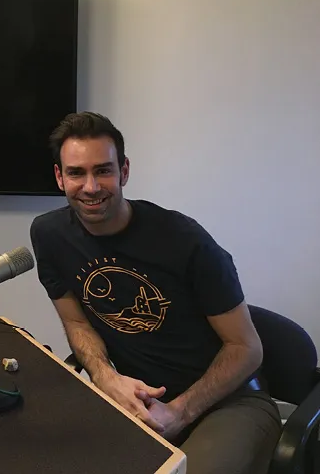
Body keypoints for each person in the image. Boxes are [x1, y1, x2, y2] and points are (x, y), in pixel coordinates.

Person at [29, 112, 281, 473]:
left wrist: (179, 412)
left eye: (103, 170)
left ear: (124, 171)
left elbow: (247, 348)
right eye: (76, 173)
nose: (91, 187)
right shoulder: (50, 235)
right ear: (59, 177)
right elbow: (77, 322)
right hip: (139, 404)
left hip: (229, 402)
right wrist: (106, 377)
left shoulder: (185, 241)